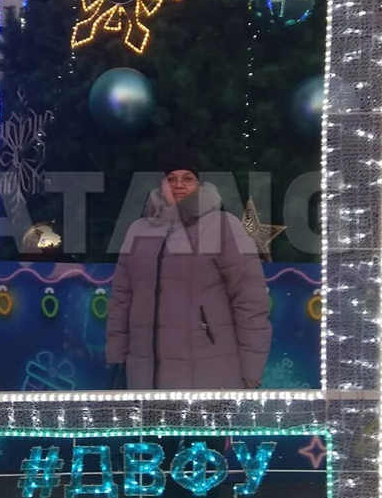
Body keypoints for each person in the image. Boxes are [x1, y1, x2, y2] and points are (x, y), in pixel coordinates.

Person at [106, 151, 271, 390]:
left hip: (211, 377)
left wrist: (252, 370)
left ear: (200, 184)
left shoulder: (223, 226)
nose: (179, 185)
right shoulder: (139, 230)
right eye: (171, 178)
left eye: (187, 178)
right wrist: (117, 358)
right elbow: (121, 299)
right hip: (145, 378)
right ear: (161, 184)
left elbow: (250, 301)